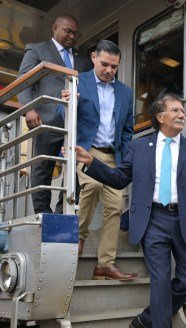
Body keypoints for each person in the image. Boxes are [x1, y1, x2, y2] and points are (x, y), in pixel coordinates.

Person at [70, 92, 186, 328]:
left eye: (182, 111)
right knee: (160, 284)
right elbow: (120, 178)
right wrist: (91, 164)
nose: (182, 115)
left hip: (185, 222)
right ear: (160, 116)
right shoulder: (140, 147)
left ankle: (147, 319)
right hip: (153, 221)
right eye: (175, 110)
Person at [59, 40, 136, 281]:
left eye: (114, 66)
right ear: (93, 58)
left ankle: (105, 264)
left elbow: (127, 129)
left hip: (113, 156)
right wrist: (67, 102)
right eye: (104, 64)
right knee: (91, 185)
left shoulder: (125, 92)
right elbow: (63, 115)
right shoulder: (77, 80)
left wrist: (126, 155)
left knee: (114, 207)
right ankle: (79, 236)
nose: (109, 71)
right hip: (85, 149)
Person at [18, 13, 92, 214]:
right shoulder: (37, 49)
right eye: (68, 31)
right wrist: (28, 109)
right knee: (43, 169)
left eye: (76, 34)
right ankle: (44, 216)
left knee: (76, 170)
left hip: (75, 124)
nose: (72, 37)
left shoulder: (83, 60)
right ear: (55, 28)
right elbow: (24, 80)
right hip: (47, 120)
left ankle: (62, 214)